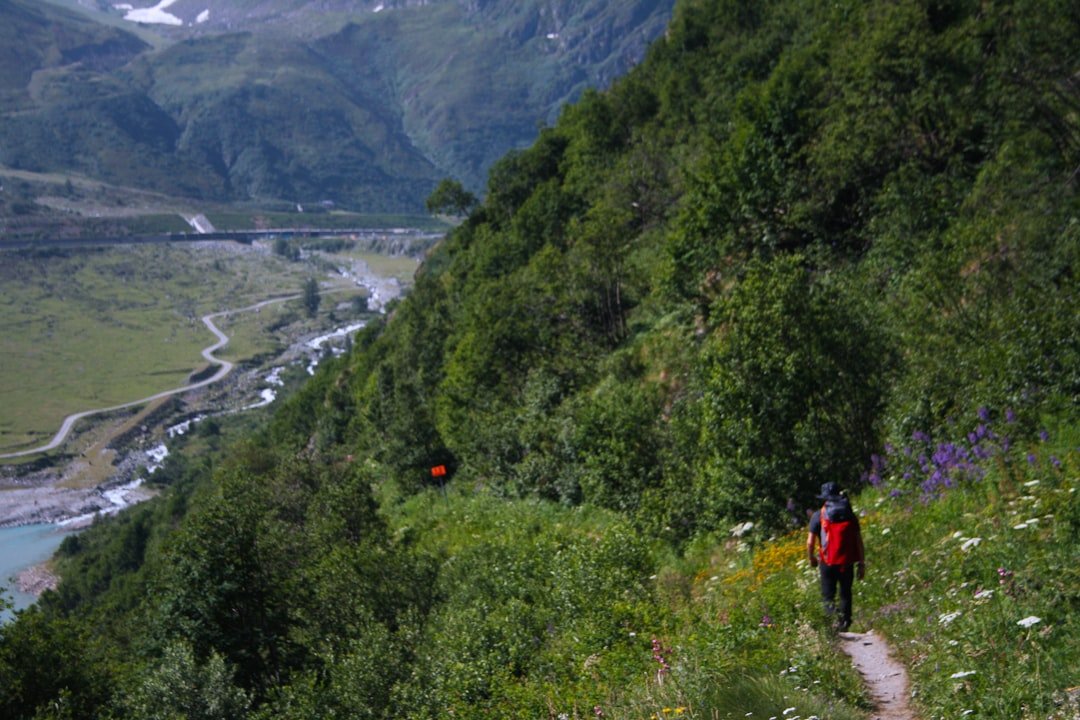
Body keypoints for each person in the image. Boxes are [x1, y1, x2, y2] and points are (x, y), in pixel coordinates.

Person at [806, 481, 865, 631]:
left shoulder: (819, 515)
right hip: (847, 561)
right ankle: (845, 622)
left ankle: (835, 621)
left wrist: (811, 558)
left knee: (828, 596)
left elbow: (810, 542)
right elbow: (858, 539)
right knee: (845, 592)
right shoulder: (849, 514)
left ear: (824, 497)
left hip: (827, 562)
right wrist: (861, 563)